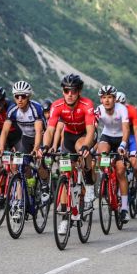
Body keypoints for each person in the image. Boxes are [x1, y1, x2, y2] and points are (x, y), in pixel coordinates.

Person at [44, 73, 97, 203]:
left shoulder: (87, 104)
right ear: (63, 91)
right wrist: (45, 146)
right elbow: (50, 130)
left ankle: (89, 185)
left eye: (73, 91)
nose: (70, 94)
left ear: (79, 92)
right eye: (66, 90)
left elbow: (91, 130)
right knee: (65, 172)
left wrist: (86, 146)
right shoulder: (56, 106)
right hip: (69, 136)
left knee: (81, 148)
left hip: (84, 134)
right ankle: (63, 213)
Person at [0, 80, 48, 201]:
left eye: (23, 96)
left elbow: (38, 131)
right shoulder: (12, 110)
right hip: (26, 138)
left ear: (29, 96)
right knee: (22, 165)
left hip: (40, 137)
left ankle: (45, 185)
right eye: (17, 96)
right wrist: (0, 148)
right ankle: (29, 187)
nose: (20, 99)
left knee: (38, 163)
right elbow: (4, 131)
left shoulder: (35, 108)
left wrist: (37, 148)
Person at [93, 85, 131, 222]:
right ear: (101, 100)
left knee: (120, 171)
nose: (107, 100)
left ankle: (125, 208)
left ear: (114, 99)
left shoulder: (122, 109)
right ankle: (106, 178)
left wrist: (123, 144)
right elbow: (93, 127)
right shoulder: (99, 110)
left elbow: (126, 129)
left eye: (109, 97)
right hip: (107, 136)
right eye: (104, 98)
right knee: (101, 155)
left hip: (120, 138)